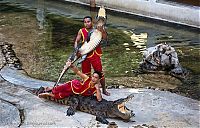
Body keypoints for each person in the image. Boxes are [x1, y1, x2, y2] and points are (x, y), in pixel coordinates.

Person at [73, 16, 110, 96]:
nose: (86, 23)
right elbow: (76, 41)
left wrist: (102, 30)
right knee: (86, 75)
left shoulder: (98, 29)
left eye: (88, 21)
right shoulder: (81, 31)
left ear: (92, 22)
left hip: (95, 54)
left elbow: (105, 38)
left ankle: (103, 89)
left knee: (100, 74)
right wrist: (77, 50)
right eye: (85, 22)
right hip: (85, 56)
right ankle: (87, 90)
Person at [38, 61, 102, 101]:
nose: (93, 78)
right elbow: (78, 72)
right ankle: (52, 88)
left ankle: (48, 94)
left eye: (96, 78)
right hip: (72, 85)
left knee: (59, 96)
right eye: (93, 76)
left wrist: (98, 89)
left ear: (98, 79)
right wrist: (72, 66)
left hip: (73, 92)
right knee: (55, 90)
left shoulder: (96, 88)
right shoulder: (87, 79)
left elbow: (99, 99)